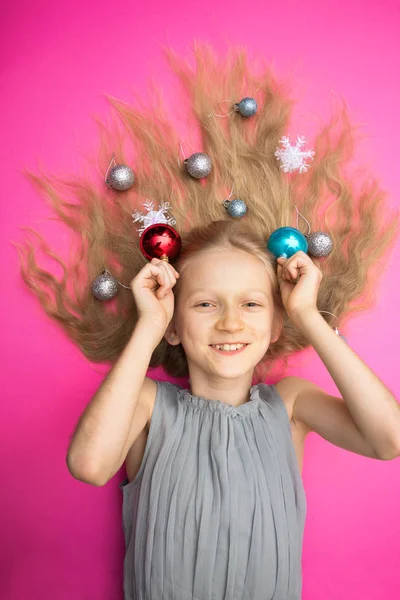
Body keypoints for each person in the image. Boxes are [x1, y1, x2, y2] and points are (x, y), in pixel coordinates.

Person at [15, 42, 400, 599]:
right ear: (174, 320)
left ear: (274, 324)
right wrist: (148, 326)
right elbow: (90, 465)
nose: (228, 322)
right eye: (204, 304)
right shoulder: (149, 407)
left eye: (250, 304)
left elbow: (389, 440)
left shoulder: (288, 406)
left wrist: (309, 318)